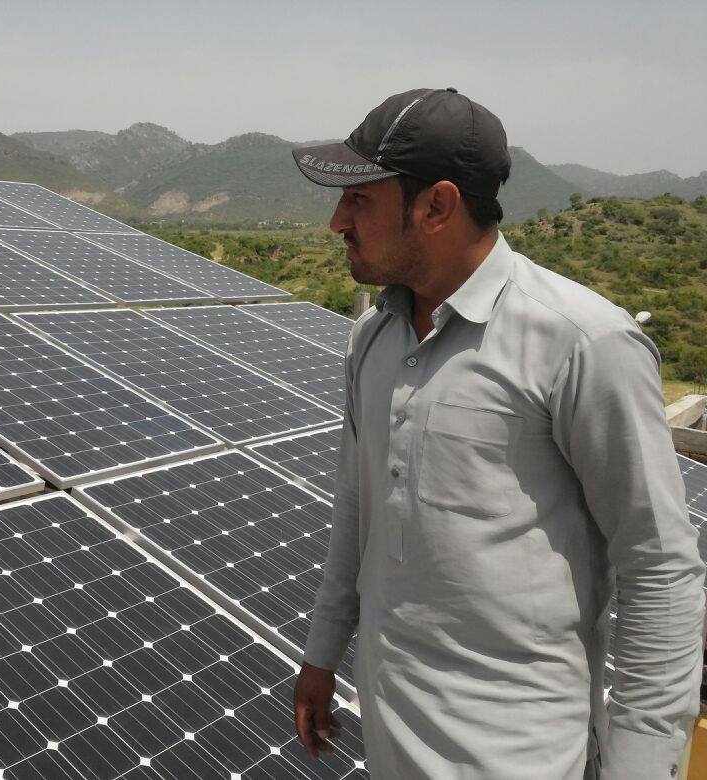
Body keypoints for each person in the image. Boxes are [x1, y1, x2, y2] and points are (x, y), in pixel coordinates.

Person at [290, 87, 705, 779]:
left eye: (359, 199)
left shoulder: (583, 343)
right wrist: (322, 652)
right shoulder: (372, 339)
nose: (337, 221)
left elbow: (659, 568)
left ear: (437, 206)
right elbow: (357, 508)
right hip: (389, 739)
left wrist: (640, 763)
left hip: (521, 757)